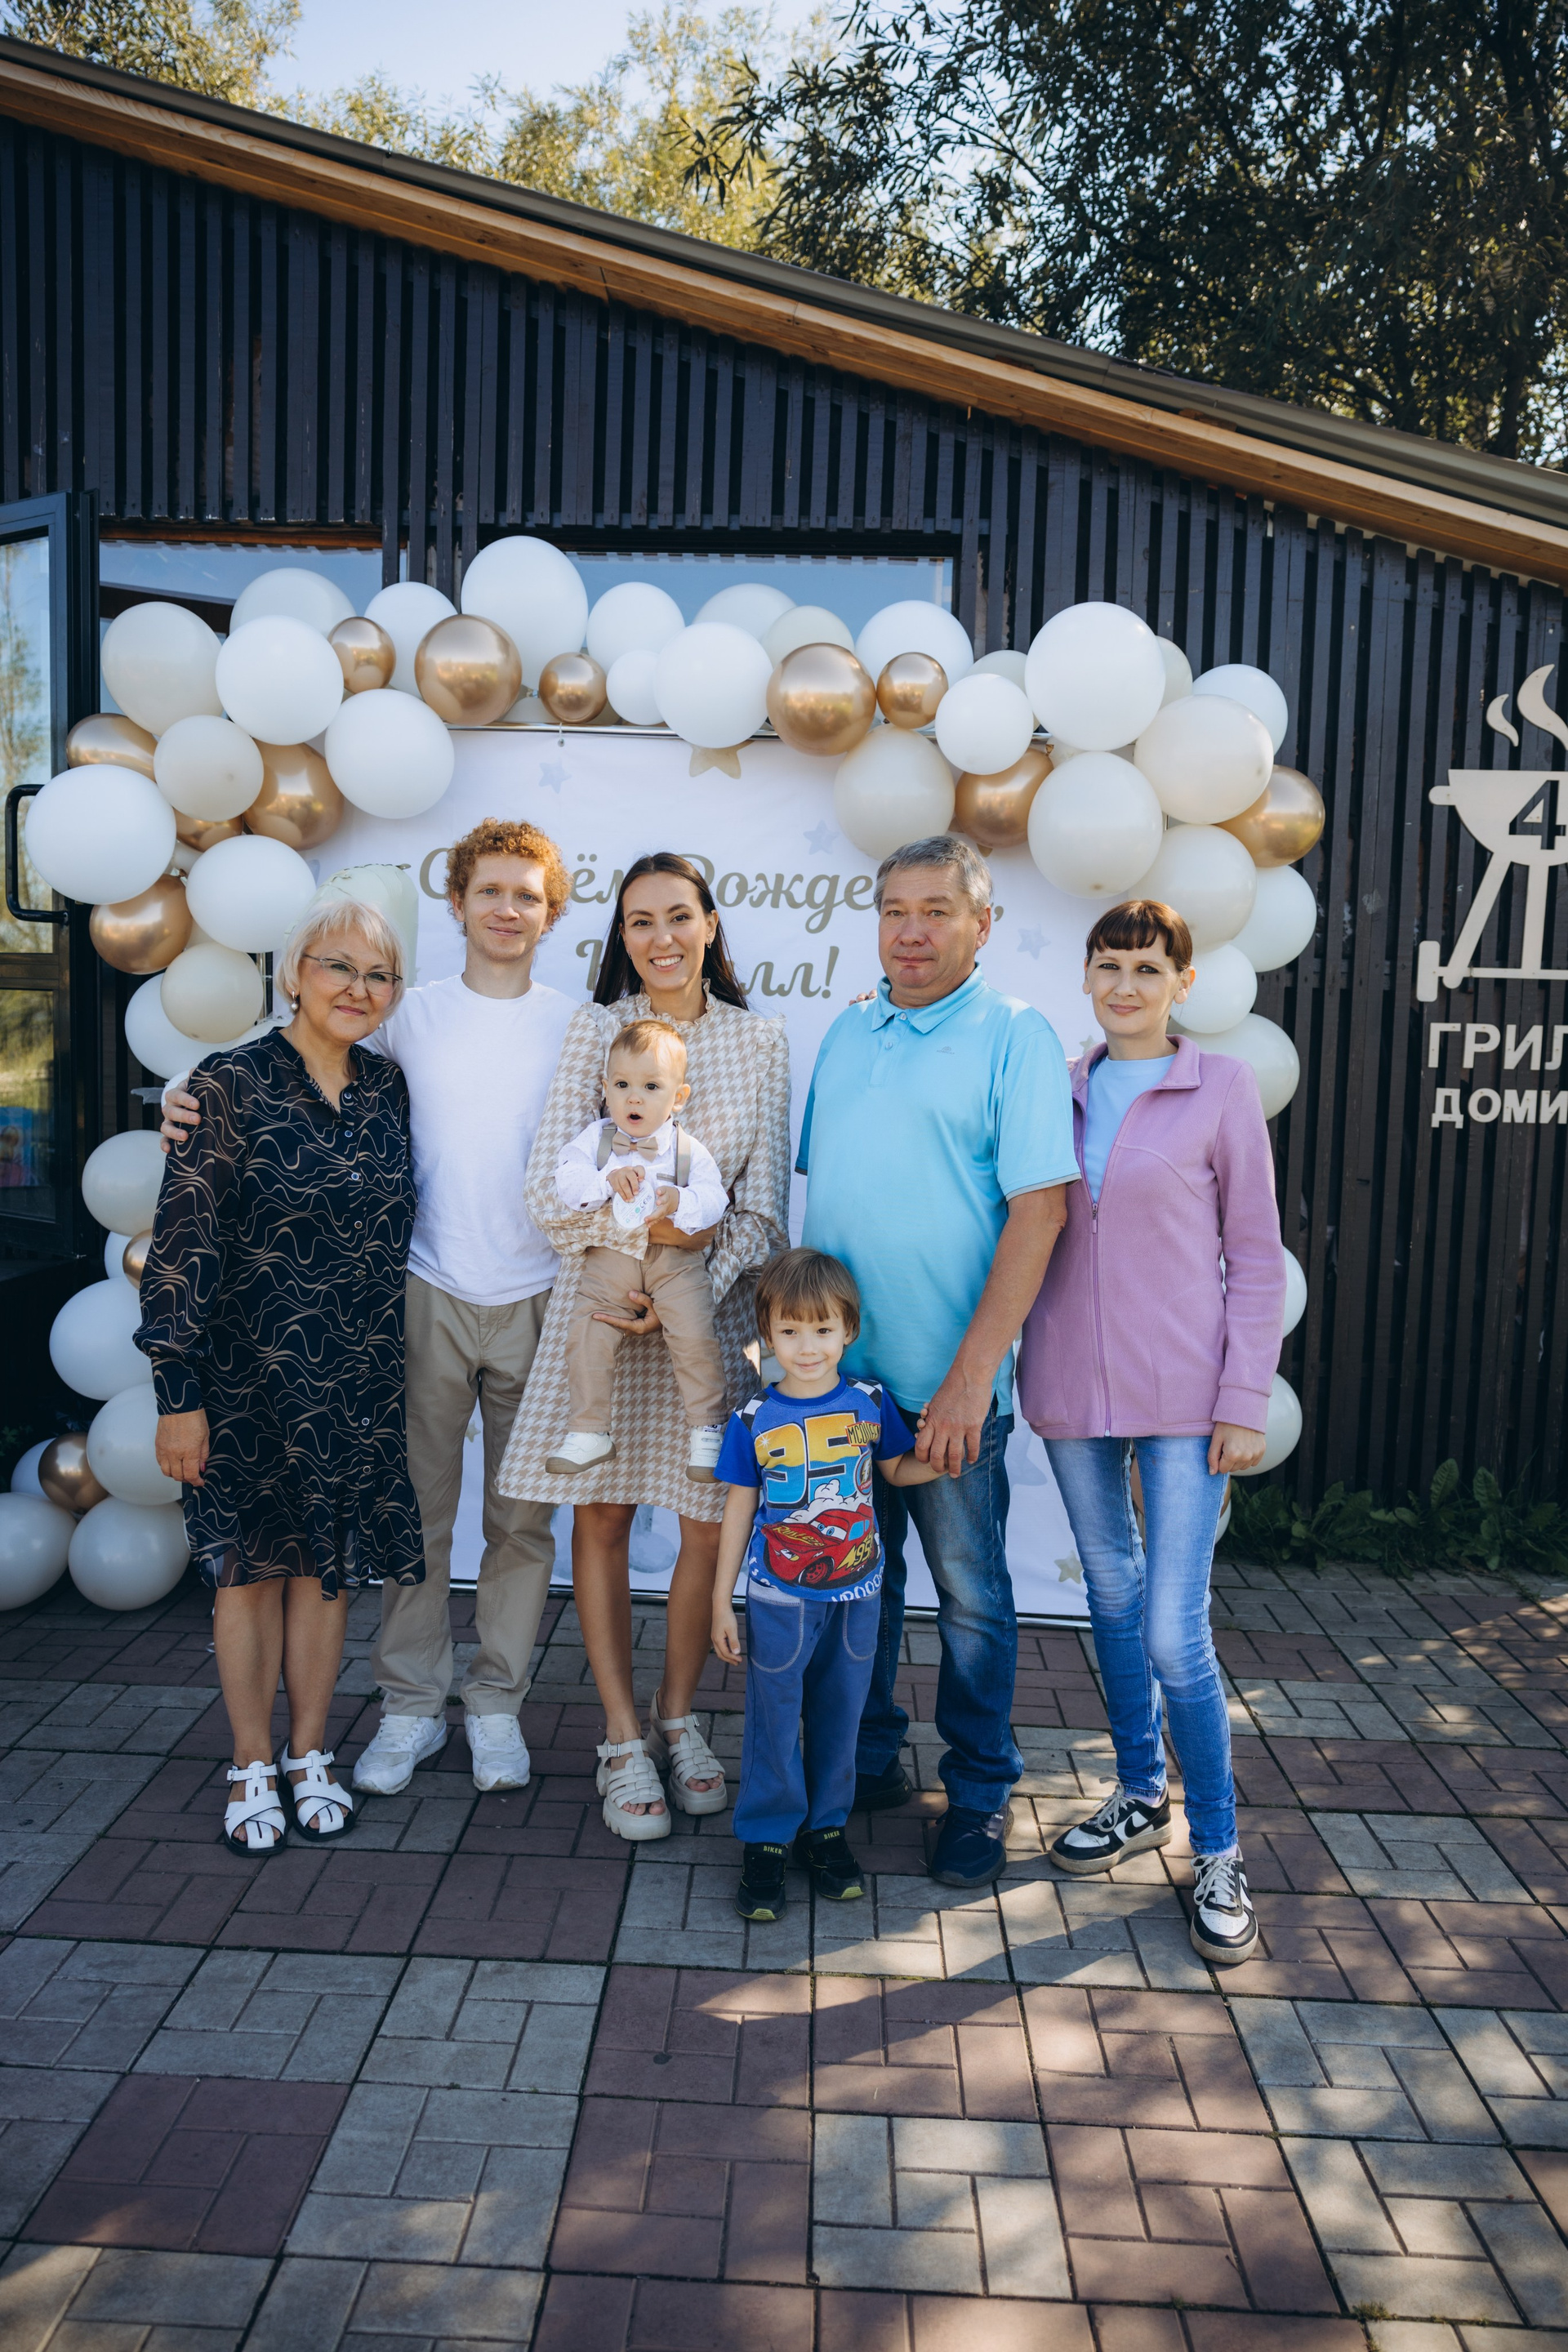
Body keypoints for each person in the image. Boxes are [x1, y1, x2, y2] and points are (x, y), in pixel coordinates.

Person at [163, 820, 576, 1800]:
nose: (507, 909)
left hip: (540, 1298)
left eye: (527, 895)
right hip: (423, 1296)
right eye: (489, 891)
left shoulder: (580, 1026)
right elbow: (297, 1057)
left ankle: (496, 1704)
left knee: (521, 1525)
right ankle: (409, 1705)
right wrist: (187, 1092)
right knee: (412, 1519)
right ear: (457, 903)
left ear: (551, 914)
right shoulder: (406, 1016)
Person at [797, 835, 1080, 1889]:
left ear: (982, 925)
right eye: (894, 910)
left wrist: (970, 1379)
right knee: (854, 1589)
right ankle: (868, 1760)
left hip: (947, 1389)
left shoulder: (1015, 1035)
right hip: (840, 1389)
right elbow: (840, 1199)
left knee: (971, 1599)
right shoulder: (846, 1032)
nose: (911, 932)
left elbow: (1040, 1214)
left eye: (937, 911)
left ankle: (979, 1789)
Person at [497, 853, 791, 1842]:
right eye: (638, 921)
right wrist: (632, 1275)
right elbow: (549, 1192)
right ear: (621, 937)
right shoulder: (595, 1030)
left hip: (711, 1319)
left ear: (710, 924)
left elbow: (763, 1208)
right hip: (605, 1318)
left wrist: (681, 1297)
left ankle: (678, 1718)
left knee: (707, 1524)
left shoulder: (760, 1041)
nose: (660, 937)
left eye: (677, 916)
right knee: (605, 1515)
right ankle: (621, 1736)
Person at [1017, 899, 1285, 1965]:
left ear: (1182, 983)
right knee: (1113, 1599)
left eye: (1146, 968)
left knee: (1176, 1631)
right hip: (1071, 1385)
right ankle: (1139, 1793)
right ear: (1086, 976)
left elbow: (1255, 1256)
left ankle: (1218, 1850)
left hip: (1186, 1394)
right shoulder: (1057, 1086)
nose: (1125, 985)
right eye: (1109, 966)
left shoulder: (1221, 1088)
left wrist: (1244, 1397)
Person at [140, 902, 420, 1855]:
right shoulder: (227, 1084)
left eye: (378, 975)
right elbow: (181, 1247)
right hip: (244, 1377)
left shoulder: (388, 1088)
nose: (358, 989)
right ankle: (251, 1763)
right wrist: (177, 1397)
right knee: (250, 1574)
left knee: (325, 1571)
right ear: (294, 974)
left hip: (356, 1379)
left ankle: (309, 1755)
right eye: (337, 966)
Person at [711, 1249, 942, 1922]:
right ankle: (766, 1838)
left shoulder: (869, 1402)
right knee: (775, 1717)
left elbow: (897, 1471)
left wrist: (949, 1458)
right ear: (767, 1333)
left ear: (849, 1331)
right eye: (789, 1331)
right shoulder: (753, 1416)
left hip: (857, 1596)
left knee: (842, 1715)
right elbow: (739, 1508)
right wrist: (721, 1599)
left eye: (822, 1329)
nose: (806, 1347)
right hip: (778, 1599)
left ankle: (827, 1829)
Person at [549, 1017, 729, 1478]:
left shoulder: (688, 1149)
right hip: (610, 1260)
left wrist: (680, 1200)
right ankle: (589, 1429)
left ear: (678, 1097)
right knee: (586, 1332)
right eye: (622, 1085)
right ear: (605, 1089)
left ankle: (707, 1427)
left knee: (695, 1333)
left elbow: (715, 1199)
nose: (634, 1098)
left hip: (675, 1262)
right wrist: (605, 1180)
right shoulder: (597, 1140)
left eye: (651, 1087)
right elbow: (566, 1180)